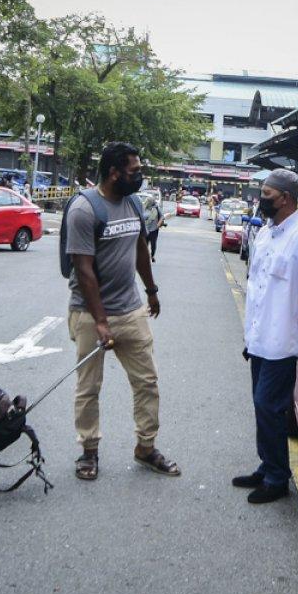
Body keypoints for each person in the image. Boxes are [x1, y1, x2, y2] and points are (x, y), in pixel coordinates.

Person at [65, 141, 179, 480]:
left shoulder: (132, 202)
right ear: (114, 173)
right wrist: (100, 322)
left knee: (147, 382)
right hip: (90, 314)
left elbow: (141, 247)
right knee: (89, 387)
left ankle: (145, 448)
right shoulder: (84, 211)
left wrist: (152, 290)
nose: (139, 176)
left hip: (131, 311)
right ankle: (89, 451)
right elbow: (83, 270)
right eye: (134, 170)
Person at [232, 169, 298, 504]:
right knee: (262, 406)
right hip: (258, 337)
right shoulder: (268, 233)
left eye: (267, 194)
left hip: (282, 340)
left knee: (268, 405)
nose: (262, 199)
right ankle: (267, 464)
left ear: (285, 198)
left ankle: (277, 478)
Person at [143, 195, 164, 262]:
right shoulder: (143, 208)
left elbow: (162, 217)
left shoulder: (156, 208)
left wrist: (158, 224)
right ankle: (145, 256)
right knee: (145, 244)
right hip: (145, 230)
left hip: (154, 230)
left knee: (153, 244)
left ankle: (152, 256)